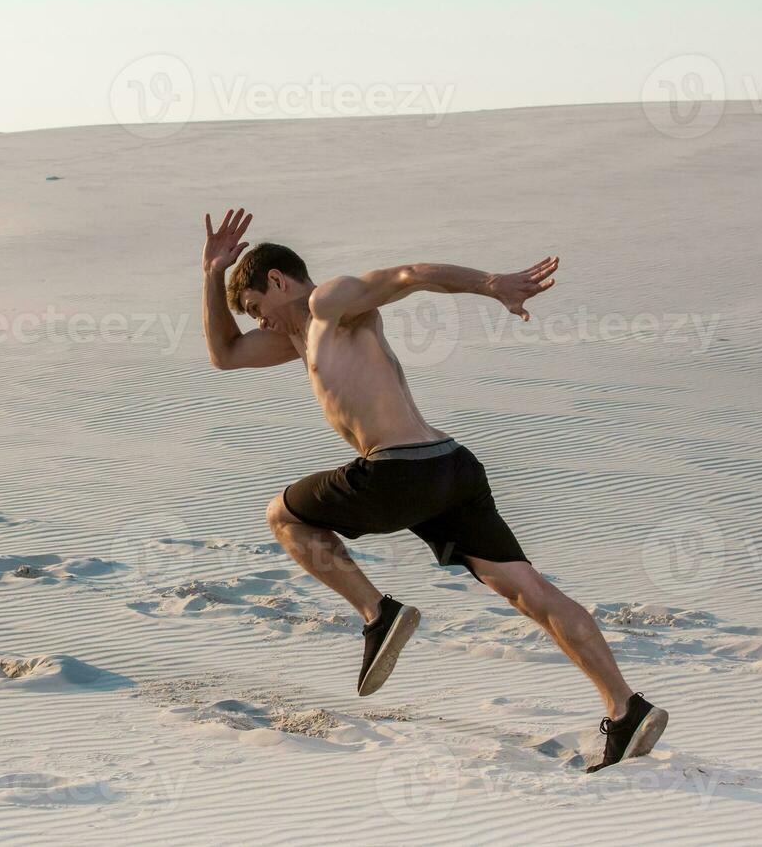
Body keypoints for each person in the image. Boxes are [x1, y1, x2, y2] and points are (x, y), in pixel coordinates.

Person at [200, 207, 668, 773]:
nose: (258, 323)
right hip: (449, 469)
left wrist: (491, 284)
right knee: (527, 590)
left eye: (254, 308)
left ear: (277, 281)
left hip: (401, 472)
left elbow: (409, 275)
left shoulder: (330, 302)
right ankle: (626, 709)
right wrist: (211, 274)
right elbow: (223, 356)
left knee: (284, 516)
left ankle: (379, 614)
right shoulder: (297, 337)